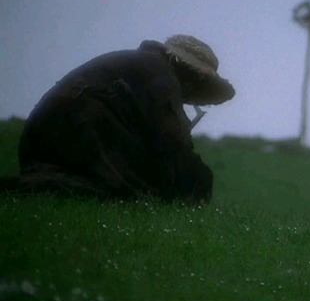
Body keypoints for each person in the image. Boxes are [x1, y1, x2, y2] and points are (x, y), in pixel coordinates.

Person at [2, 34, 235, 204]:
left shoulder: (144, 68)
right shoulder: (160, 75)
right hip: (74, 135)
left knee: (115, 192)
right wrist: (198, 180)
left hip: (43, 140)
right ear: (190, 77)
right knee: (114, 193)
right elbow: (172, 141)